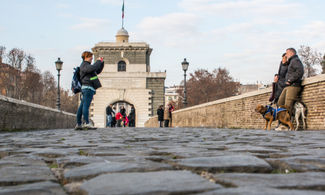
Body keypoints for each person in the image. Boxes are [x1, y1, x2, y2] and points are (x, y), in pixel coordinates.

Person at [75, 51, 104, 130]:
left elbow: (97, 70)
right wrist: (98, 61)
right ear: (86, 57)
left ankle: (79, 123)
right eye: (91, 56)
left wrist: (101, 63)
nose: (92, 58)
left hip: (88, 88)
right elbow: (93, 68)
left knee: (81, 107)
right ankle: (87, 123)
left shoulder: (87, 66)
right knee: (86, 106)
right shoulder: (84, 65)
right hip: (88, 88)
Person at [278, 48, 304, 115]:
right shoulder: (291, 62)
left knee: (288, 106)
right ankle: (283, 121)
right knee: (280, 103)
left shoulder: (295, 60)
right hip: (288, 86)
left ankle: (287, 124)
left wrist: (290, 80)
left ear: (292, 53)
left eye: (287, 53)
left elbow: (300, 71)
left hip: (294, 85)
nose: (286, 55)